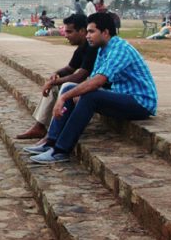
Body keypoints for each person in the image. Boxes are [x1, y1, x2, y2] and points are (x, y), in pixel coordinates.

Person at [27, 12, 157, 164]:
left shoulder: (120, 49)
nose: (87, 36)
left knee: (89, 96)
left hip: (140, 102)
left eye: (91, 32)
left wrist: (63, 98)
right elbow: (92, 79)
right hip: (121, 95)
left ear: (105, 32)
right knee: (70, 88)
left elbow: (97, 82)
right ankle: (51, 140)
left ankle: (61, 150)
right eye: (87, 32)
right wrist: (71, 93)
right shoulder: (103, 49)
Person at [16, 13, 98, 140]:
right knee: (56, 84)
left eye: (69, 32)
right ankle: (40, 126)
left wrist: (53, 82)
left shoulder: (92, 48)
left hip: (99, 87)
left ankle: (45, 129)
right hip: (90, 85)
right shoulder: (81, 49)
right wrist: (56, 74)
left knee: (61, 86)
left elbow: (80, 76)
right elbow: (69, 69)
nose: (66, 35)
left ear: (82, 31)